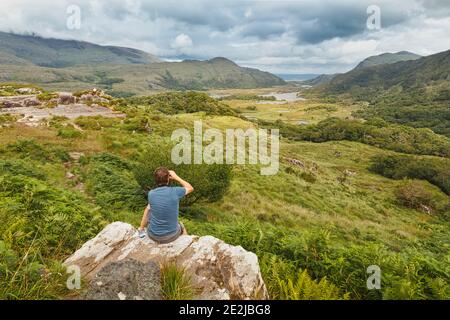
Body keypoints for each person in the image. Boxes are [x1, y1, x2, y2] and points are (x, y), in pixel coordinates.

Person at [138, 167, 194, 244]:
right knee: (181, 224)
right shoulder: (176, 191)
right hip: (171, 236)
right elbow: (190, 188)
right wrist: (176, 177)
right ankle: (185, 244)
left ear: (155, 180)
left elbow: (147, 210)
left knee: (149, 210)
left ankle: (141, 228)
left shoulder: (151, 194)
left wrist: (141, 227)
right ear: (168, 179)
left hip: (153, 235)